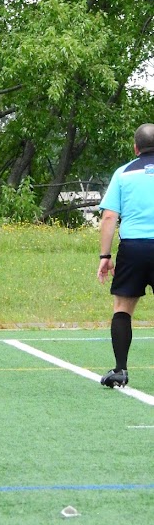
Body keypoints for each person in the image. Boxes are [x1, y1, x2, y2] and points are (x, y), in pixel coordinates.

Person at [97, 123, 154, 388]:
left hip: (133, 247)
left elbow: (109, 216)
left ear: (135, 148)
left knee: (123, 308)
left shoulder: (123, 173)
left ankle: (120, 370)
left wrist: (105, 256)